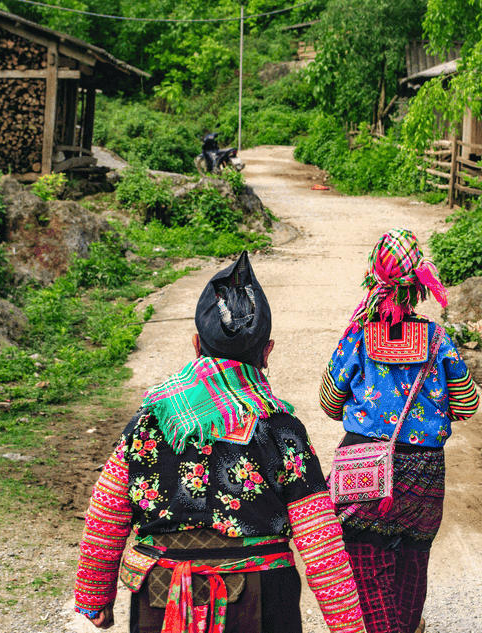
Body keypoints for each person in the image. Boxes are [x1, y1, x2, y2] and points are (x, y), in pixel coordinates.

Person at [75, 251, 367, 633]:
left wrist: (94, 597)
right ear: (267, 352)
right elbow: (319, 538)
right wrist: (348, 627)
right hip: (263, 603)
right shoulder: (281, 428)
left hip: (161, 601)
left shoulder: (149, 420)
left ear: (197, 345)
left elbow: (106, 513)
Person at [318, 229, 480, 633]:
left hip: (363, 464)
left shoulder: (357, 336)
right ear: (419, 287)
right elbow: (467, 405)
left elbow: (329, 402)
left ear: (374, 280)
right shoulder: (439, 339)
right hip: (424, 470)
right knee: (412, 558)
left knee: (366, 560)